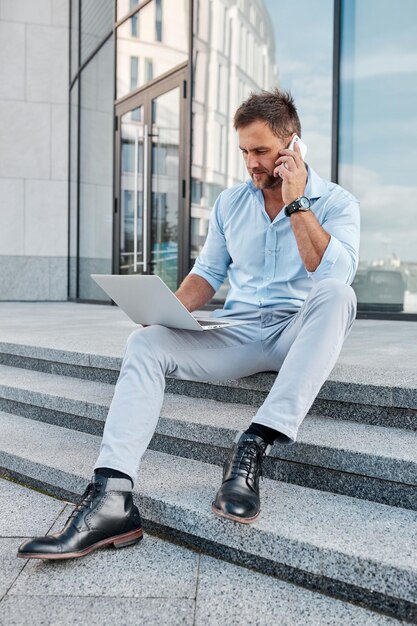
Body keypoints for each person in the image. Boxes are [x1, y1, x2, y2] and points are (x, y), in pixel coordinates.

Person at [17, 89, 360, 560]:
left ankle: (253, 445)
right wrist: (169, 312)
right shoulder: (231, 204)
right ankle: (111, 498)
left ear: (292, 145)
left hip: (296, 332)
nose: (252, 164)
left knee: (339, 294)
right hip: (238, 330)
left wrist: (297, 202)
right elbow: (207, 276)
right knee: (147, 343)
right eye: (244, 151)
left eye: (261, 151)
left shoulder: (337, 204)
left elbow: (331, 275)